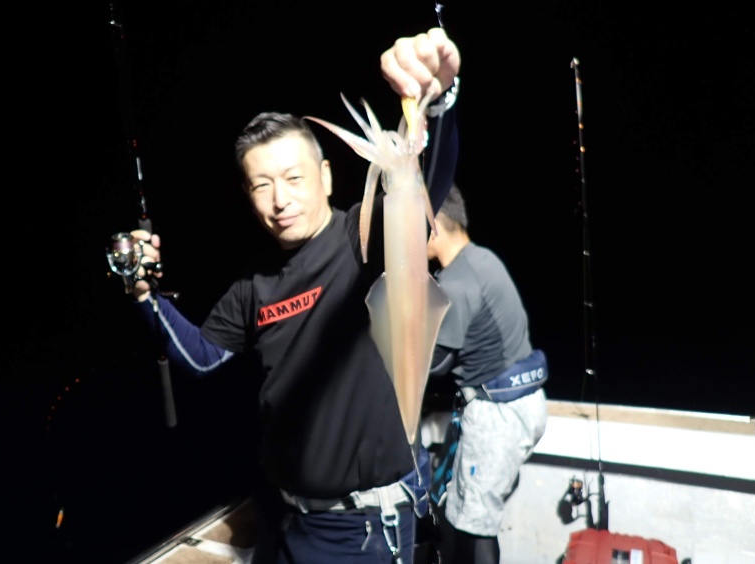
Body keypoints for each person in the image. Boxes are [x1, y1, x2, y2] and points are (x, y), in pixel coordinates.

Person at [125, 27, 462, 564]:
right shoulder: (253, 284)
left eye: (293, 178)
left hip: (362, 527)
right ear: (247, 194)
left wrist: (436, 101)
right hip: (284, 518)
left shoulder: (364, 238)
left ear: (325, 177)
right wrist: (145, 294)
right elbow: (203, 359)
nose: (280, 200)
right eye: (262, 185)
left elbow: (429, 183)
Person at [418, 185, 549, 564]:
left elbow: (434, 365)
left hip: (497, 419)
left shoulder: (455, 284)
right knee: (469, 511)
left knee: (474, 526)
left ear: (432, 227)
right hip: (525, 404)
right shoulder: (482, 258)